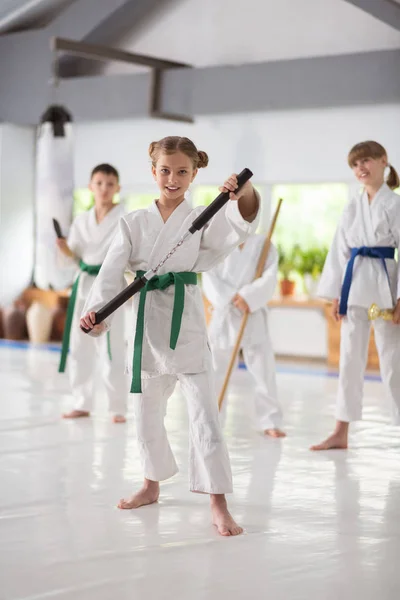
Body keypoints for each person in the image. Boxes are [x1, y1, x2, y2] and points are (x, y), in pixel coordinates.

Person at [80, 136, 260, 536]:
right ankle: (151, 483)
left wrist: (242, 192)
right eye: (165, 170)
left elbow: (239, 224)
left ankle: (217, 500)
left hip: (189, 322)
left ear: (195, 174)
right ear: (153, 172)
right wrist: (97, 314)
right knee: (145, 417)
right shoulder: (133, 222)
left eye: (182, 171)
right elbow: (110, 273)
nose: (173, 178)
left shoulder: (204, 217)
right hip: (147, 325)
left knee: (205, 417)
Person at [311, 141, 400, 451]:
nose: (361, 168)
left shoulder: (394, 204)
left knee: (393, 361)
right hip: (355, 286)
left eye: (366, 161)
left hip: (386, 289)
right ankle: (340, 431)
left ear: (383, 161)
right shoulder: (352, 206)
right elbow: (339, 251)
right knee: (349, 359)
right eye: (355, 164)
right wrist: (338, 294)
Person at [57, 163, 128, 423]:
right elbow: (73, 258)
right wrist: (65, 250)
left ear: (117, 188)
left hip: (111, 287)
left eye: (110, 184)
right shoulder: (82, 220)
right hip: (85, 283)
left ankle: (117, 407)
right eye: (99, 183)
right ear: (90, 186)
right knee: (80, 344)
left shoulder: (125, 218)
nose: (104, 189)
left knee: (113, 347)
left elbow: (130, 256)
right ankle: (81, 401)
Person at [202, 234, 285, 437]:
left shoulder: (263, 246)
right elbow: (208, 276)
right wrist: (232, 298)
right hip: (226, 313)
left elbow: (270, 276)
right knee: (216, 370)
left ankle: (270, 420)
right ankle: (213, 418)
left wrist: (249, 297)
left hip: (252, 312)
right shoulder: (217, 242)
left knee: (263, 370)